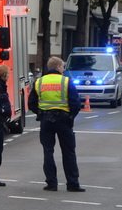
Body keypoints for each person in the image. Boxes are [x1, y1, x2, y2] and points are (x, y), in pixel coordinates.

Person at [28, 55, 84, 192]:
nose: (63, 69)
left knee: (48, 152)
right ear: (58, 67)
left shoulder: (39, 82)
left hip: (46, 121)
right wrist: (71, 117)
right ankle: (72, 184)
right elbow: (76, 103)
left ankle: (51, 183)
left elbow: (31, 103)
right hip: (64, 120)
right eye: (63, 67)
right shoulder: (66, 81)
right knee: (68, 152)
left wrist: (40, 113)